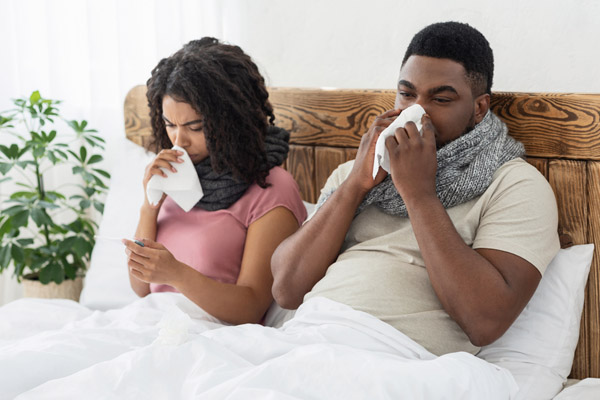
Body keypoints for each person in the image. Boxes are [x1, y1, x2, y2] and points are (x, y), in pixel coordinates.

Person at [271, 22, 560, 356]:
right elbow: (287, 290)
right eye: (407, 94)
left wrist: (419, 194)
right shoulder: (354, 173)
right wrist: (355, 185)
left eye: (439, 98)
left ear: (478, 108)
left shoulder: (514, 185)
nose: (414, 112)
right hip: (308, 338)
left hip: (400, 356)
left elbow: (485, 321)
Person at [123, 37, 307, 325]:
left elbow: (251, 308)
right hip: (149, 324)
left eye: (195, 127)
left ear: (231, 120)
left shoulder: (270, 188)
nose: (178, 140)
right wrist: (149, 205)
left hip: (212, 339)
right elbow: (141, 288)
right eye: (170, 125)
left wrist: (176, 274)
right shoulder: (173, 176)